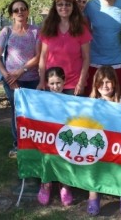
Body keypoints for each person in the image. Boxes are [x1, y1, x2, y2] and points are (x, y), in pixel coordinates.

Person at [0, 0, 41, 158]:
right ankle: (18, 145)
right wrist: (9, 77)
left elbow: (37, 56)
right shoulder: (6, 31)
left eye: (23, 9)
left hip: (32, 78)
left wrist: (21, 71)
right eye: (16, 10)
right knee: (17, 113)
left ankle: (33, 144)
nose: (20, 12)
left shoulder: (36, 31)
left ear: (28, 11)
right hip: (11, 81)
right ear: (11, 14)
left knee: (32, 113)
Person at [87, 66, 121, 216]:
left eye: (108, 82)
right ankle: (93, 197)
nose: (105, 86)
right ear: (96, 85)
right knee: (91, 158)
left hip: (117, 143)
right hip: (98, 144)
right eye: (101, 82)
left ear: (114, 83)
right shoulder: (92, 102)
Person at [84, 0, 121, 98]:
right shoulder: (91, 6)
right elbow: (84, 30)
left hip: (118, 61)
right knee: (94, 100)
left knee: (120, 100)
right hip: (95, 62)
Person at [37, 0, 92, 96]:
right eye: (60, 4)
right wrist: (41, 81)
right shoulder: (48, 28)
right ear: (55, 7)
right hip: (52, 84)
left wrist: (81, 83)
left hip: (74, 85)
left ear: (73, 7)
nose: (64, 7)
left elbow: (86, 58)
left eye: (68, 4)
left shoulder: (82, 29)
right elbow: (43, 57)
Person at [37, 67, 74, 206]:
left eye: (58, 82)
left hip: (65, 139)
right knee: (46, 155)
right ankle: (46, 184)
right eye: (51, 83)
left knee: (66, 155)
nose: (55, 86)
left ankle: (65, 186)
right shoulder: (42, 100)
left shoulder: (70, 100)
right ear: (47, 84)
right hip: (48, 139)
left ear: (64, 81)